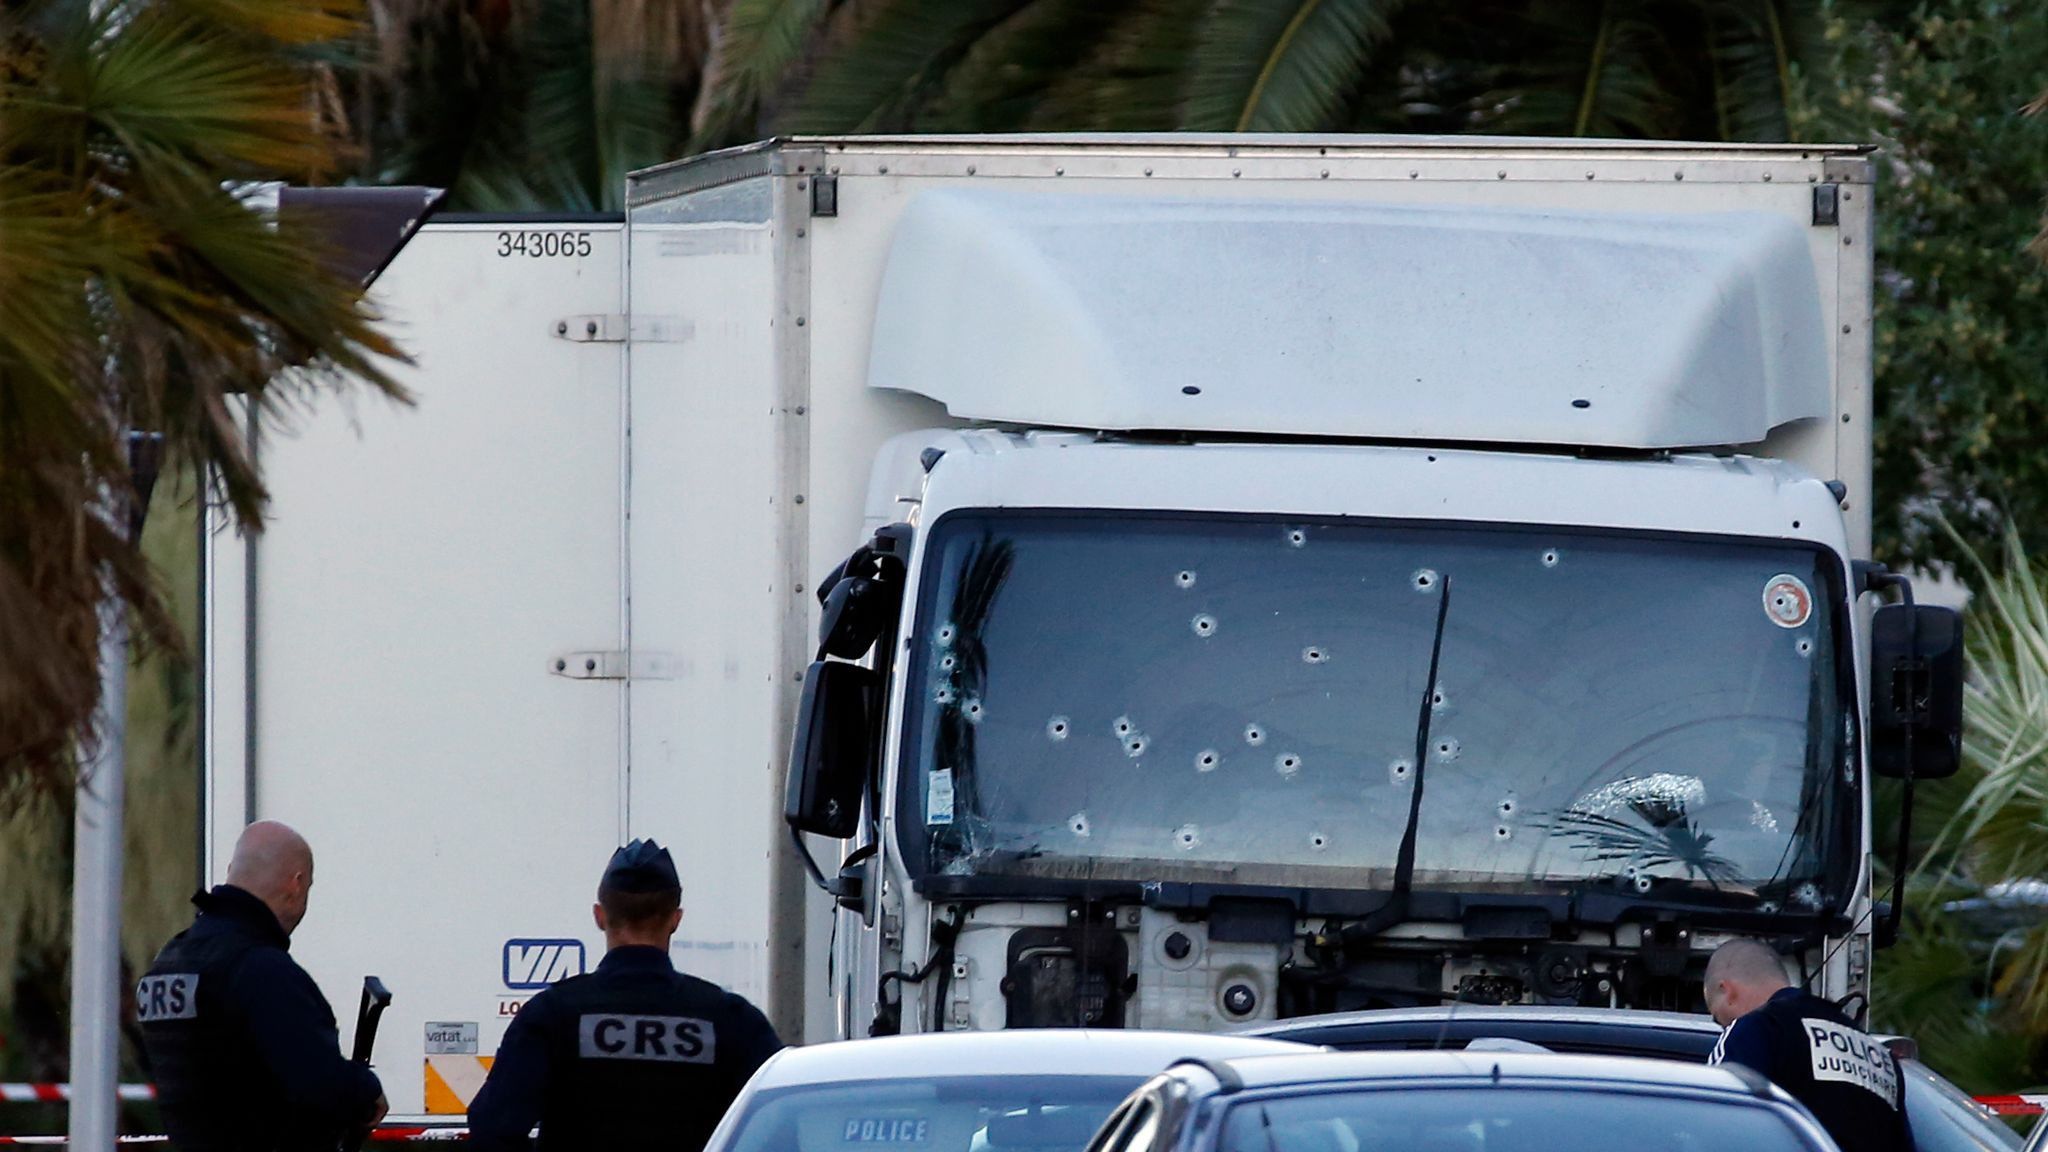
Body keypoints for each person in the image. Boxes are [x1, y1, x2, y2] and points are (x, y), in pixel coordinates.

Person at [467, 839, 784, 1152]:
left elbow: (494, 1128)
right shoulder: (729, 1019)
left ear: (600, 916)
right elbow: (779, 1124)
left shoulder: (553, 1014)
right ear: (675, 919)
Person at [137, 820, 386, 1151]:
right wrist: (366, 1091)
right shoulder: (259, 968)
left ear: (231, 871)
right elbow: (318, 1080)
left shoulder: (170, 960)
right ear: (295, 884)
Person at [1705, 939, 1913, 1152]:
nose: (1724, 1025)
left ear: (1726, 990)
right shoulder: (1880, 1056)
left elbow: (1717, 1124)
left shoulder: (1755, 1029)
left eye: (1718, 1018)